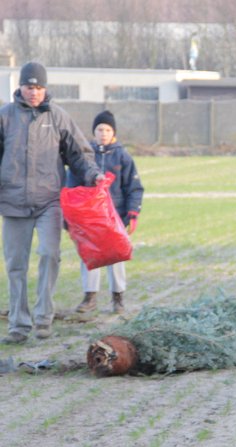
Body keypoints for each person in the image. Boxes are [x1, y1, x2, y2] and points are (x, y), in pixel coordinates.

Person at [0, 62, 105, 344]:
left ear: (45, 89)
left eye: (38, 87)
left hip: (49, 202)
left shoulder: (58, 117)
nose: (33, 92)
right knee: (15, 265)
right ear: (20, 87)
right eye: (28, 86)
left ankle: (44, 318)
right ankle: (19, 325)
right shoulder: (5, 117)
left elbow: (80, 155)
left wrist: (92, 175)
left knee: (49, 254)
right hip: (12, 203)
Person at [67, 110, 144, 315]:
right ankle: (89, 296)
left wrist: (133, 213)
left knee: (116, 256)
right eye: (99, 129)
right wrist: (71, 216)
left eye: (107, 129)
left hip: (115, 216)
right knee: (89, 255)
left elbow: (134, 188)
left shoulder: (122, 156)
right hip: (89, 217)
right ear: (94, 132)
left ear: (114, 132)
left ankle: (118, 297)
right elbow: (72, 186)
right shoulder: (83, 156)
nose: (103, 133)